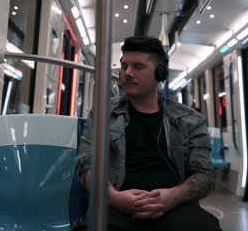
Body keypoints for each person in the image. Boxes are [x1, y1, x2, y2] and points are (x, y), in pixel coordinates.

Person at [75, 36, 221, 231]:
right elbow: (86, 165)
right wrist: (114, 198)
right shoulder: (103, 114)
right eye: (124, 65)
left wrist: (173, 196)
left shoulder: (190, 120)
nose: (127, 73)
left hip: (175, 209)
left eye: (138, 66)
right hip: (117, 208)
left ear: (160, 73)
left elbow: (205, 175)